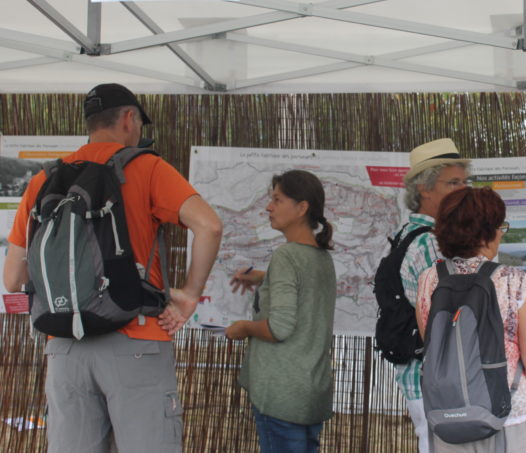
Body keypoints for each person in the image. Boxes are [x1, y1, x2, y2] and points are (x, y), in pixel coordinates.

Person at [2, 83, 223, 453]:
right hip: (135, 337)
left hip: (65, 346)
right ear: (128, 118)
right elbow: (209, 225)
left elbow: (12, 279)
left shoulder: (44, 180)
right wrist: (189, 294)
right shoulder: (146, 167)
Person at [416, 187, 526, 453]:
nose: (501, 233)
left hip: (449, 418)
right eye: (500, 226)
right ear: (488, 231)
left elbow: (432, 346)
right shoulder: (513, 280)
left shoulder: (429, 280)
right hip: (512, 419)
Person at [225, 169, 336, 453]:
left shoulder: (287, 256)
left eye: (277, 199)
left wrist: (243, 328)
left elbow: (279, 328)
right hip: (310, 392)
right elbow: (304, 290)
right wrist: (264, 278)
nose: (268, 207)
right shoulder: (320, 258)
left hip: (281, 392)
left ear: (301, 208)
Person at [392, 138, 471, 453]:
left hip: (425, 377)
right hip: (440, 380)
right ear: (424, 188)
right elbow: (452, 316)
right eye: (453, 182)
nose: (463, 190)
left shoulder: (408, 233)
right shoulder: (431, 244)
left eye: (465, 182)